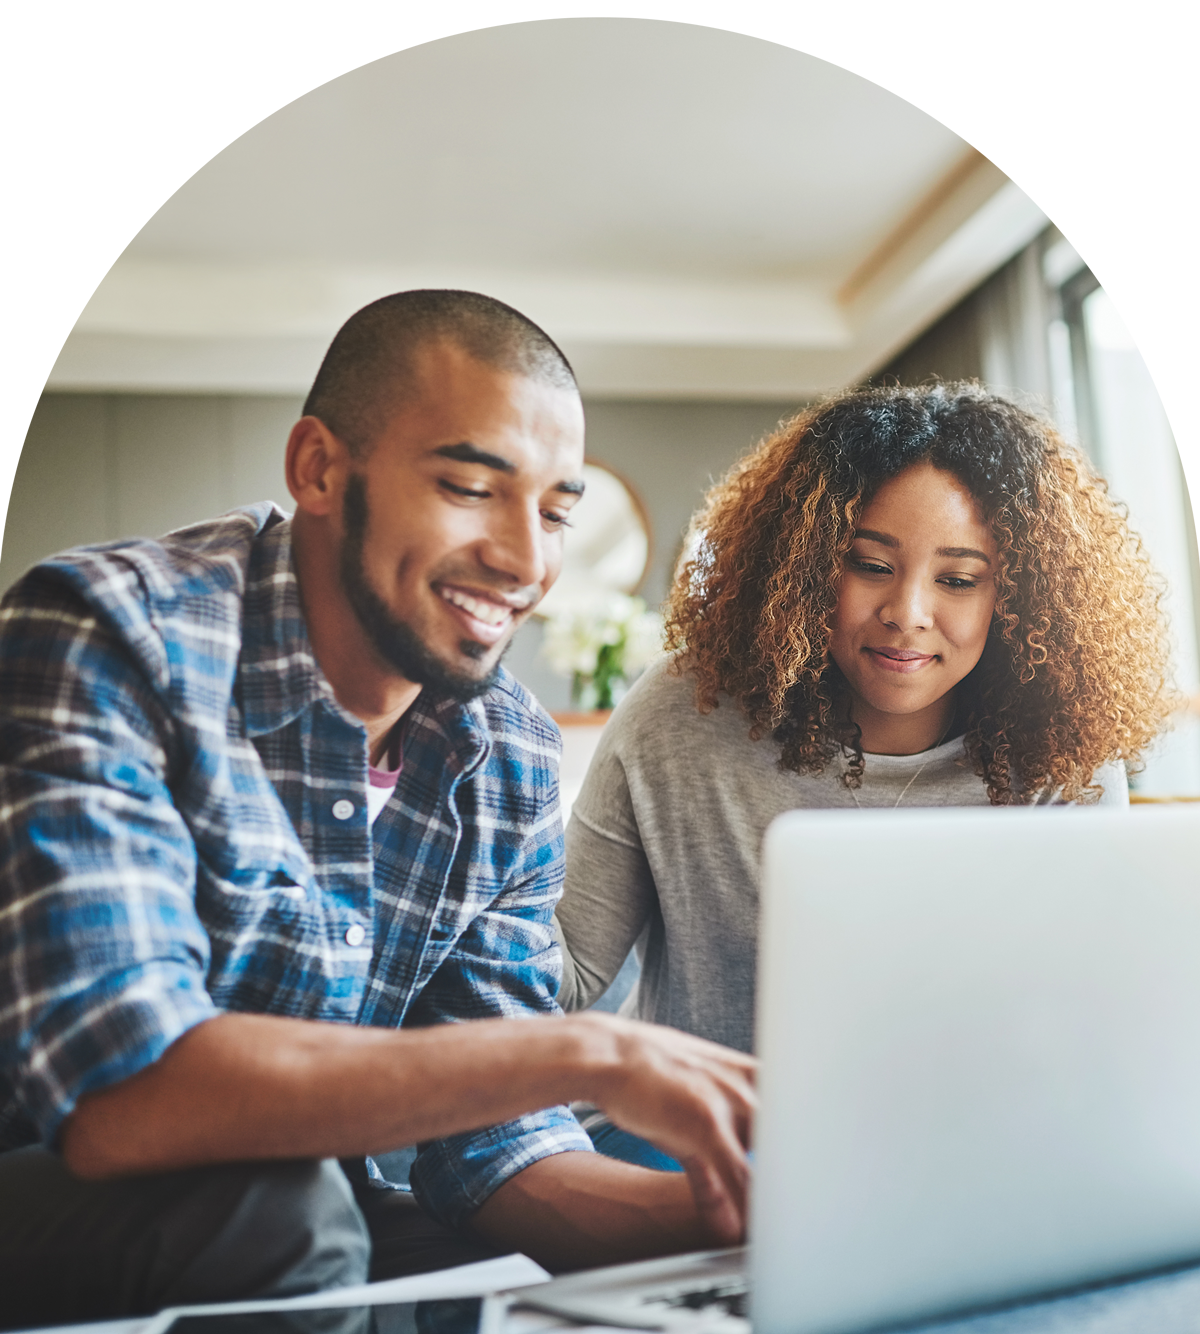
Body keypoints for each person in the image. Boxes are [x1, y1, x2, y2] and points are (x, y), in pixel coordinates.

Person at [0, 290, 755, 1329]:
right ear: (318, 467)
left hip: (307, 1205)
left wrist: (752, 1219)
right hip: (47, 1176)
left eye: (554, 510)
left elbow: (492, 1150)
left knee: (498, 1283)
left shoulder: (510, 754)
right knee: (287, 1211)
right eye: (469, 486)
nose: (527, 560)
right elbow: (121, 1093)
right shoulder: (110, 634)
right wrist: (589, 1051)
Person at [555, 382, 1173, 1169]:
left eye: (958, 579)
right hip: (702, 1146)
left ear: (1014, 598)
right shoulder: (684, 713)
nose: (908, 611)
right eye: (870, 565)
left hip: (964, 1148)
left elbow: (1094, 1014)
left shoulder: (1059, 753)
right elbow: (564, 973)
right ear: (809, 562)